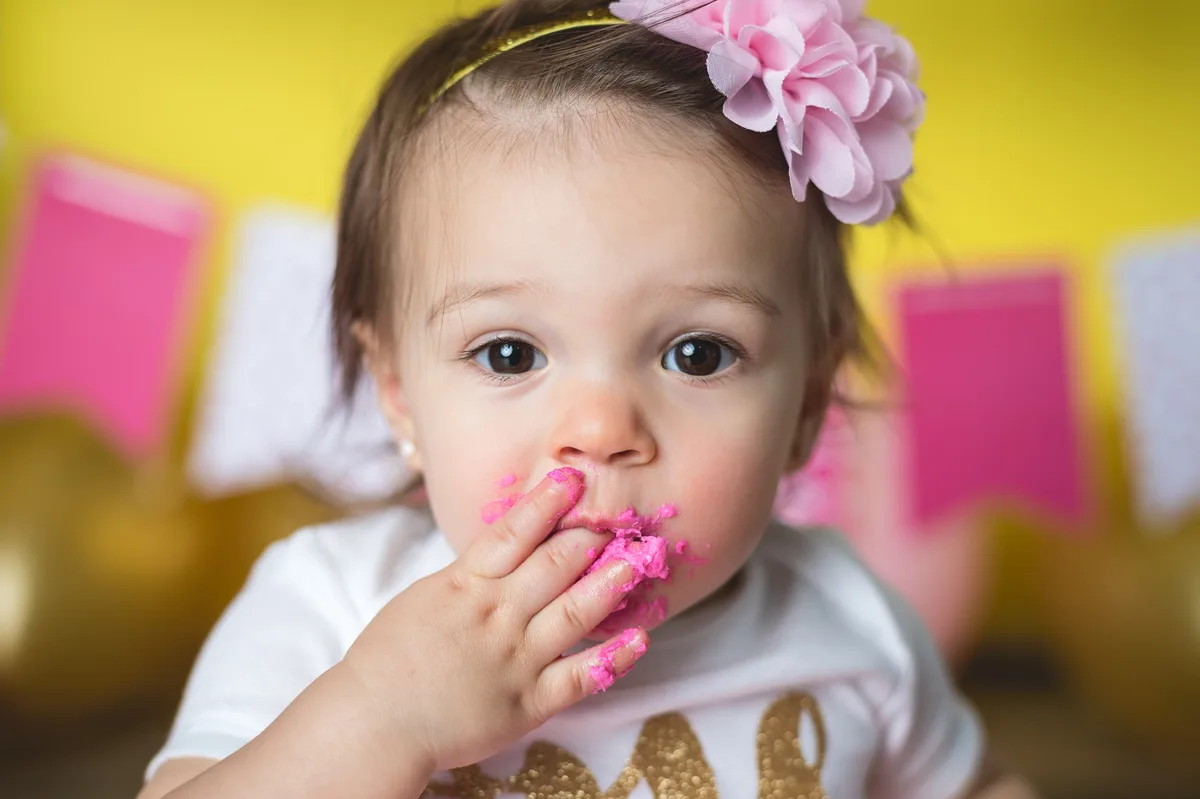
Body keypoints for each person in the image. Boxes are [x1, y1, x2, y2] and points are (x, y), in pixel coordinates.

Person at [139, 1, 1038, 797]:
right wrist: (383, 717)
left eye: (697, 353)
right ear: (399, 394)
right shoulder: (327, 605)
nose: (601, 432)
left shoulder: (846, 618)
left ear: (806, 404)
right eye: (509, 351)